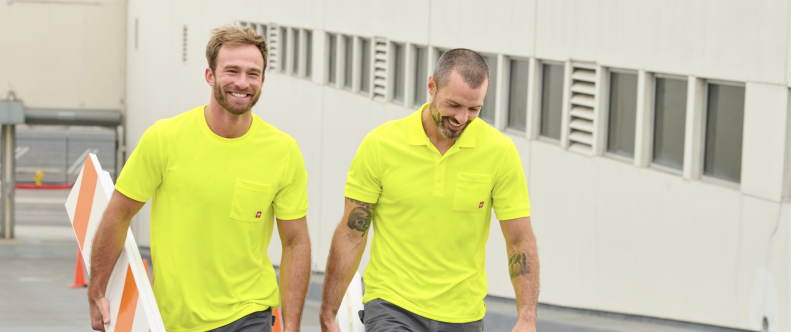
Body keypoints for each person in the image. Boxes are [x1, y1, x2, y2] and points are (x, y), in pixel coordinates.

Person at [87, 24, 311, 332]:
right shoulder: (164, 139)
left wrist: (293, 325)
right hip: (175, 319)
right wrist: (97, 291)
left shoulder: (283, 151)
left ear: (262, 80)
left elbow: (295, 241)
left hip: (250, 315)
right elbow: (118, 213)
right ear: (210, 76)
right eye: (231, 71)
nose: (242, 82)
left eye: (253, 73)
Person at [319, 48, 539, 332]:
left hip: (463, 315)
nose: (462, 118)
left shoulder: (500, 153)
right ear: (432, 86)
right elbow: (352, 234)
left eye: (474, 109)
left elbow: (520, 241)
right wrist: (328, 314)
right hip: (392, 306)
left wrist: (527, 317)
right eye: (454, 105)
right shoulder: (382, 145)